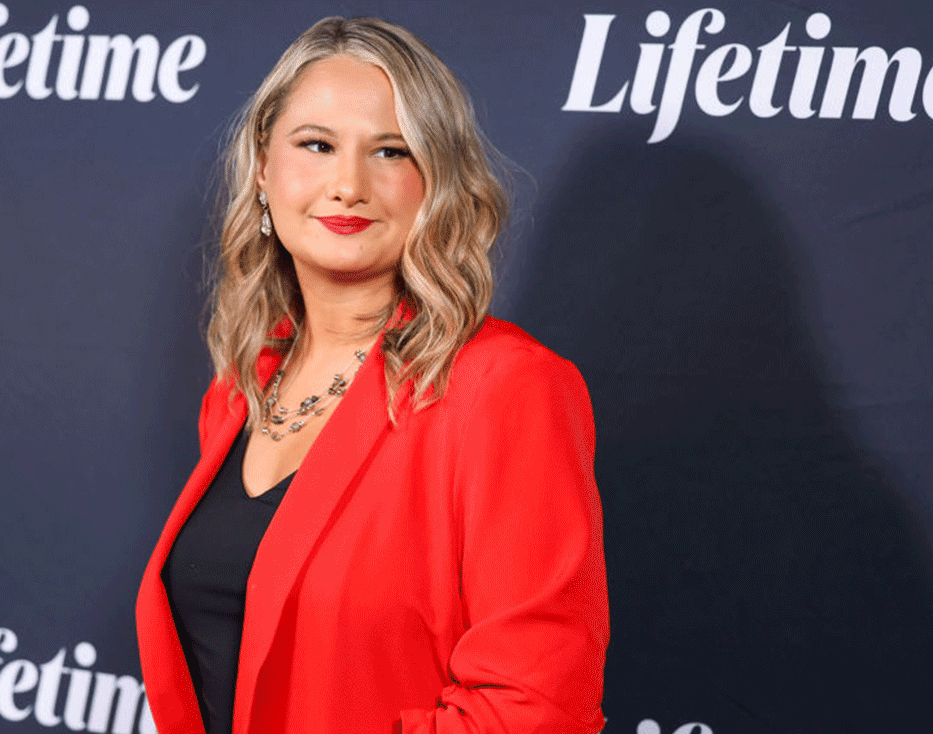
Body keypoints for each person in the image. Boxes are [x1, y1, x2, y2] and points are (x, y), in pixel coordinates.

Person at [135, 16, 607, 734]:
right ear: (264, 167)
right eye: (316, 145)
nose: (347, 184)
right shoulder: (243, 384)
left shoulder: (504, 388)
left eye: (390, 151)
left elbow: (535, 708)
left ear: (436, 182)